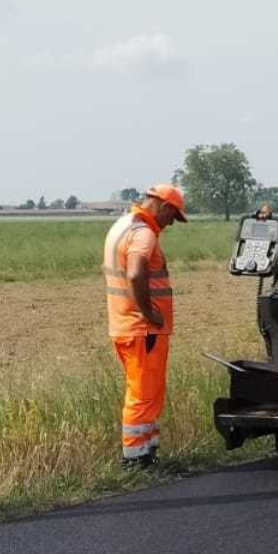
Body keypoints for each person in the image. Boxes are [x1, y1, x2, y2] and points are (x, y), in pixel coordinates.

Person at [102, 184, 187, 466]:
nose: (171, 223)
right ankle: (136, 459)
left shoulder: (122, 225)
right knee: (143, 395)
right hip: (144, 329)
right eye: (173, 216)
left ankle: (147, 451)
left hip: (125, 325)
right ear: (164, 206)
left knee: (145, 393)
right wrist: (149, 312)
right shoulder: (144, 233)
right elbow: (136, 272)